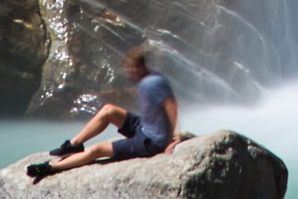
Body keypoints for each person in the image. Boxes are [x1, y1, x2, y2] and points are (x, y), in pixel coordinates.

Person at [28, 44, 185, 180]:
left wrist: (174, 136)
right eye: (127, 68)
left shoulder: (153, 83)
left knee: (98, 150)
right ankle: (73, 145)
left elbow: (171, 106)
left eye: (131, 68)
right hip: (143, 127)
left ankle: (51, 168)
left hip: (149, 142)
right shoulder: (148, 80)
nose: (127, 72)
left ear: (140, 67)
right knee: (108, 110)